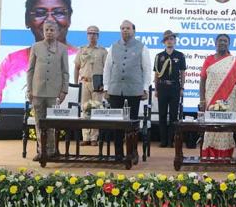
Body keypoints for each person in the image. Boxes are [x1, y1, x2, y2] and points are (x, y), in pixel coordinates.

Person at [0, 0, 78, 104]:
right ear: (27, 20)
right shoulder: (11, 62)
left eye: (59, 13)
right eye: (40, 13)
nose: (50, 20)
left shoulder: (80, 58)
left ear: (69, 18)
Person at [103, 20, 151, 160]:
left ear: (134, 31)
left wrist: (145, 88)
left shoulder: (142, 47)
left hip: (134, 90)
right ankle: (118, 153)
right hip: (115, 89)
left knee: (133, 124)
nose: (125, 30)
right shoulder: (113, 47)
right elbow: (107, 68)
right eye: (122, 28)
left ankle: (132, 152)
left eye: (128, 28)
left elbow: (147, 69)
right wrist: (106, 87)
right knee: (117, 123)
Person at [199, 34, 236, 158]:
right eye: (220, 40)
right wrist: (202, 99)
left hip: (229, 99)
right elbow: (202, 80)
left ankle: (225, 156)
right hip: (211, 98)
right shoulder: (209, 59)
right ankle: (209, 155)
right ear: (215, 43)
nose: (222, 43)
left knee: (226, 129)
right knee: (210, 128)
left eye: (225, 41)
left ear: (229, 44)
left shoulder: (234, 61)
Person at [26, 19, 69, 161]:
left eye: (52, 30)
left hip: (54, 93)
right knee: (39, 122)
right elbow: (30, 70)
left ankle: (52, 150)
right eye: (47, 30)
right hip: (37, 91)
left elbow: (65, 72)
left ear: (57, 32)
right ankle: (41, 150)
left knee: (52, 123)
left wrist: (64, 90)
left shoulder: (63, 48)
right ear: (43, 32)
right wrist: (29, 90)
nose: (49, 32)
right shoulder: (36, 47)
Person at [74, 26, 107, 146]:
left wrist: (105, 85)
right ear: (87, 35)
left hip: (97, 84)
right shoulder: (82, 50)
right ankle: (86, 137)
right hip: (84, 82)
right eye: (90, 33)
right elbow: (77, 67)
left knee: (96, 110)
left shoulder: (103, 51)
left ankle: (94, 138)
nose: (92, 36)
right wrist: (76, 83)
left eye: (94, 34)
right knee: (85, 109)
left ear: (98, 36)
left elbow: (107, 70)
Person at [153, 30, 186, 148]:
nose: (169, 41)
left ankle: (171, 140)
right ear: (164, 42)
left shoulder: (180, 55)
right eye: (167, 39)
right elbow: (156, 74)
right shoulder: (159, 56)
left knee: (173, 115)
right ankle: (163, 141)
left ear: (175, 41)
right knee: (162, 114)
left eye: (171, 39)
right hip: (162, 87)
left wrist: (182, 87)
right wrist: (156, 89)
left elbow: (182, 73)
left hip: (175, 87)